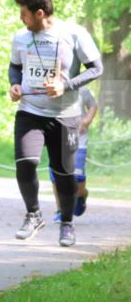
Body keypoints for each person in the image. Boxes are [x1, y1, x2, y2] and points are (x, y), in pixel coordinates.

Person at [9, 0, 103, 247]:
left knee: (64, 172)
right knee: (25, 163)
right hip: (29, 110)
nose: (21, 19)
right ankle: (33, 214)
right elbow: (15, 67)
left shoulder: (74, 34)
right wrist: (15, 85)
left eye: (24, 14)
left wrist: (67, 85)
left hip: (65, 114)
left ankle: (67, 224)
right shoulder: (20, 37)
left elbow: (96, 68)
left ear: (40, 13)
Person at [51, 85, 98, 222]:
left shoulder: (82, 88)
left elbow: (93, 106)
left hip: (79, 140)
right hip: (57, 140)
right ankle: (61, 210)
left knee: (76, 178)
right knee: (56, 177)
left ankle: (82, 195)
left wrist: (87, 120)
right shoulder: (49, 86)